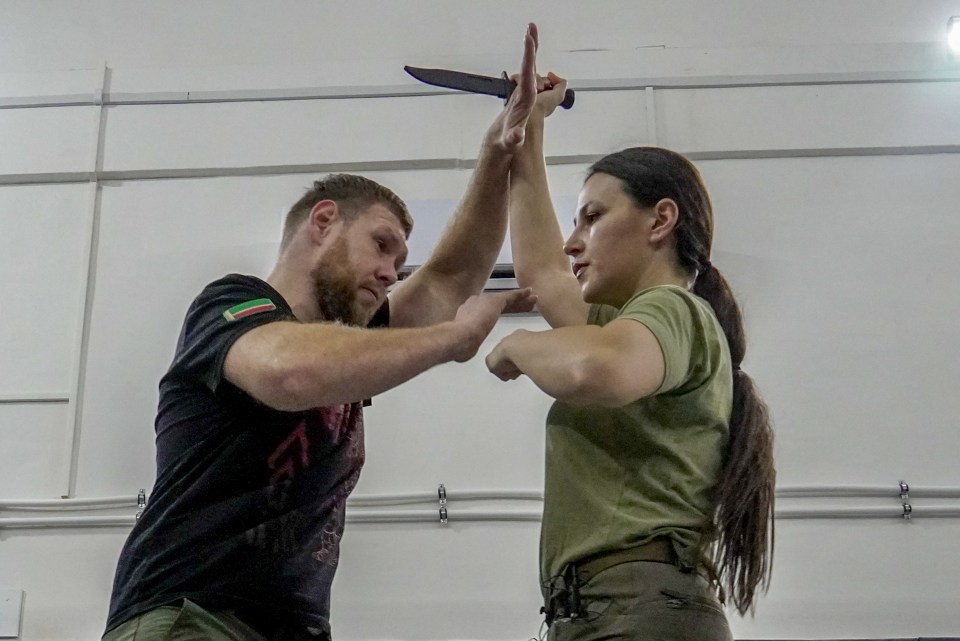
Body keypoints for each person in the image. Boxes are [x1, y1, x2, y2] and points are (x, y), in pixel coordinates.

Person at [101, 25, 544, 641]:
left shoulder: (350, 339)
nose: (392, 272)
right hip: (192, 616)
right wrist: (451, 342)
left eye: (398, 258)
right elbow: (290, 373)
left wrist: (504, 145)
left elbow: (450, 278)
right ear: (324, 221)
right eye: (381, 245)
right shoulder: (233, 304)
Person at [485, 71, 776, 640]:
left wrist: (520, 345)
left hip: (634, 608)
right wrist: (530, 125)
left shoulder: (674, 309)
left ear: (660, 221)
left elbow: (599, 370)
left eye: (593, 217)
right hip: (606, 608)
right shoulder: (623, 325)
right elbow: (544, 269)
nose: (575, 241)